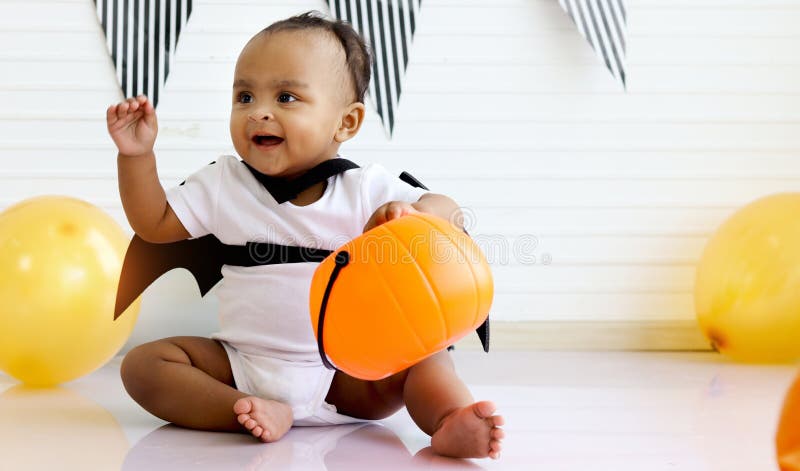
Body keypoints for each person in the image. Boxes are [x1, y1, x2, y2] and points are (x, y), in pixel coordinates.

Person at [106, 11, 504, 460]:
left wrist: (414, 213)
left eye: (287, 96)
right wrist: (136, 157)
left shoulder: (364, 189)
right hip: (242, 365)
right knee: (144, 366)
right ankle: (245, 409)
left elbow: (447, 210)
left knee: (426, 358)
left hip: (350, 375)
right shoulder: (224, 184)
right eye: (244, 95)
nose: (259, 111)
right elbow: (153, 223)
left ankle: (448, 418)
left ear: (346, 123)